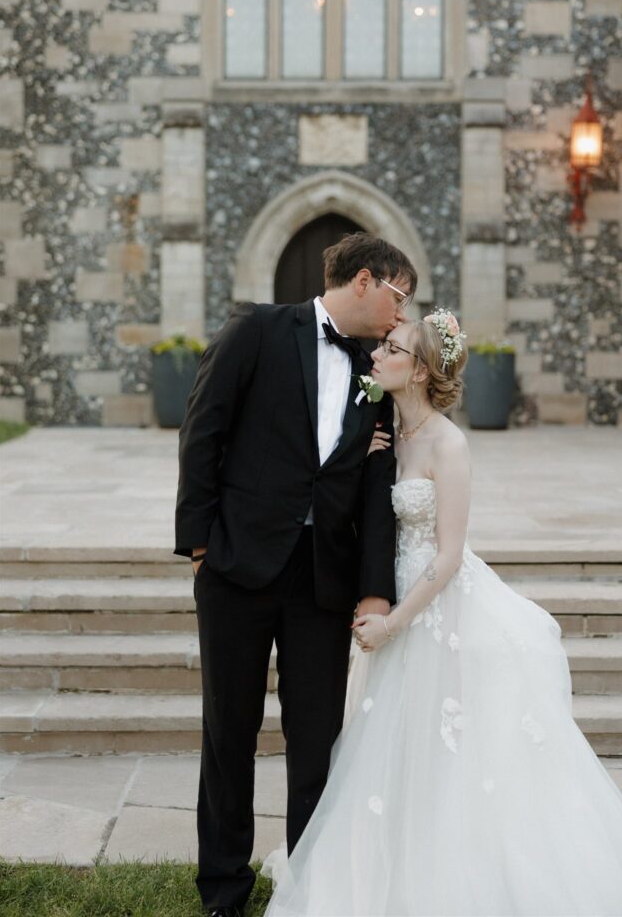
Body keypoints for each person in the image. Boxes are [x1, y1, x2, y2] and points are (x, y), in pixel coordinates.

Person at [263, 309, 622, 917]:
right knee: (389, 749)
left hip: (435, 611)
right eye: (381, 345)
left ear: (417, 372)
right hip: (388, 598)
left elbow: (449, 554)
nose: (376, 354)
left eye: (391, 348)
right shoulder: (382, 429)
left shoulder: (448, 443)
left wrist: (394, 622)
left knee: (446, 750)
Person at [174, 232, 418, 916]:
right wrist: (199, 548)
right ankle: (223, 890)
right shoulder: (257, 329)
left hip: (323, 582)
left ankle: (308, 887)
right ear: (365, 281)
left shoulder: (379, 370)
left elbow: (375, 489)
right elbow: (203, 433)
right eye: (399, 298)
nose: (401, 318)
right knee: (229, 736)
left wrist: (374, 585)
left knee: (316, 742)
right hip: (236, 570)